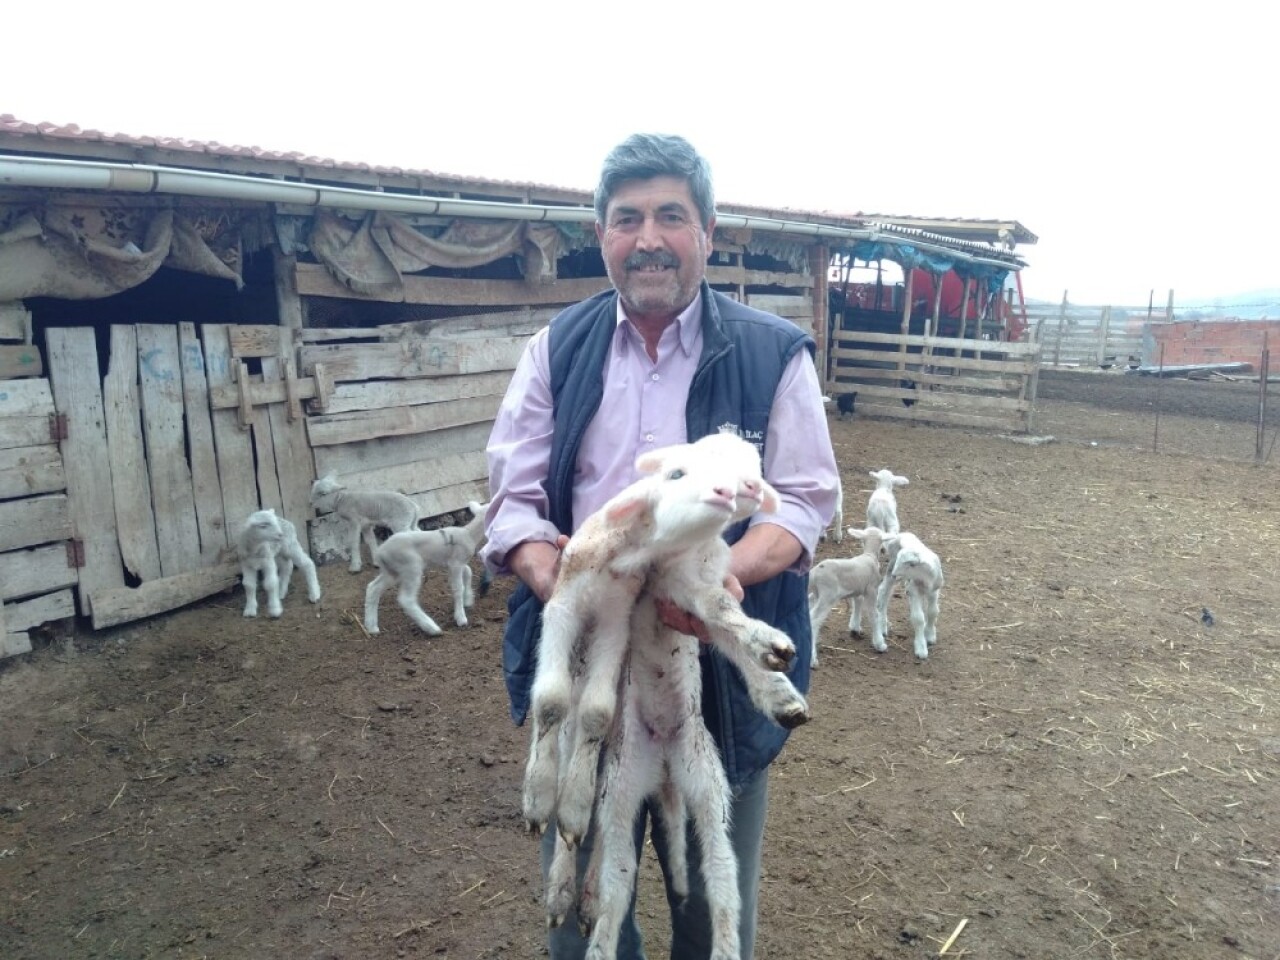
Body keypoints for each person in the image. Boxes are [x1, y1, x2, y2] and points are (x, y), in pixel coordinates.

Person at [483, 133, 840, 959]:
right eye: (627, 218)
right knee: (580, 920)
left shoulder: (770, 353)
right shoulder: (557, 349)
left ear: (708, 232)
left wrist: (720, 586)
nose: (648, 237)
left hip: (709, 674)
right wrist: (557, 575)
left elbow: (809, 501)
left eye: (670, 216)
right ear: (601, 234)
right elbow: (514, 497)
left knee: (711, 906)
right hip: (590, 667)